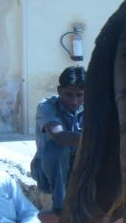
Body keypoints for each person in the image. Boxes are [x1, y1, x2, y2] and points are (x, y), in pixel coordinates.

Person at [31, 66, 85, 213]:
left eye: (80, 95)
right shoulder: (47, 106)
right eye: (69, 95)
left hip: (77, 167)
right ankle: (61, 207)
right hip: (48, 173)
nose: (74, 101)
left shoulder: (89, 107)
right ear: (59, 90)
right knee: (58, 147)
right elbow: (59, 136)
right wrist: (99, 139)